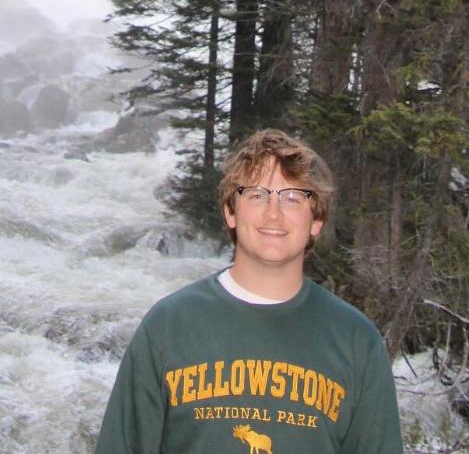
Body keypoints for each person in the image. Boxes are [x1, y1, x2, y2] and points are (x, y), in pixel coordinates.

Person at [95, 129, 404, 453]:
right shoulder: (168, 326)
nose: (274, 213)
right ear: (231, 211)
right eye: (257, 195)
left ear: (316, 220)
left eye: (293, 197)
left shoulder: (356, 342)